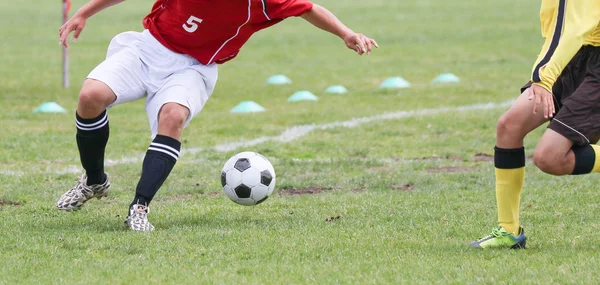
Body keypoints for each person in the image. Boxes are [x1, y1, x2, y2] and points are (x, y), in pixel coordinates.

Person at [56, 0, 378, 231]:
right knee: (90, 97)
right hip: (148, 48)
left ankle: (139, 207)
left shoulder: (264, 2)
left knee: (173, 117)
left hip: (193, 67)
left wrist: (346, 34)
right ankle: (94, 182)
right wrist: (84, 13)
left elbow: (308, 8)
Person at [470, 0, 600, 249]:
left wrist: (543, 77)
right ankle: (509, 232)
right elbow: (558, 27)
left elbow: (576, 27)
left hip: (591, 58)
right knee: (509, 127)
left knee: (549, 158)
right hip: (573, 55)